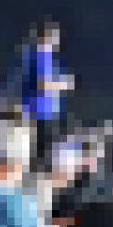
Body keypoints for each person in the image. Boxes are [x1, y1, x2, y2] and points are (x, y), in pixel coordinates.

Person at [15, 20, 74, 165]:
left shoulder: (48, 58)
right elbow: (42, 84)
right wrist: (62, 84)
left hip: (47, 113)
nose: (57, 40)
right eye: (54, 36)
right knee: (38, 155)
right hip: (38, 113)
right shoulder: (38, 56)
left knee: (44, 153)